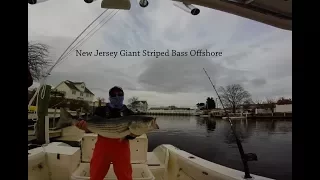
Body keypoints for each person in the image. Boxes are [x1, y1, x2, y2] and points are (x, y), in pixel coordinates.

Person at [76, 86, 137, 180]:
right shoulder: (100, 110)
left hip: (122, 148)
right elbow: (91, 128)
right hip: (102, 148)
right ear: (109, 97)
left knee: (125, 176)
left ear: (123, 96)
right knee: (96, 175)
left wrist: (134, 135)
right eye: (113, 94)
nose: (117, 97)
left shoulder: (129, 113)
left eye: (119, 94)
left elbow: (131, 135)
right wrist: (84, 127)